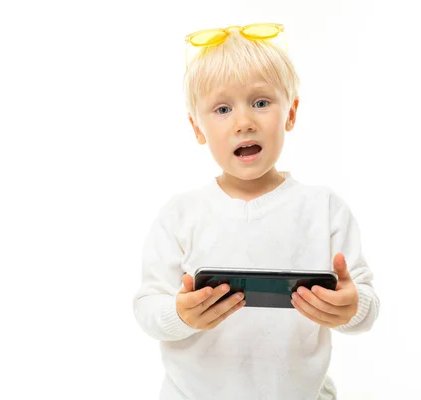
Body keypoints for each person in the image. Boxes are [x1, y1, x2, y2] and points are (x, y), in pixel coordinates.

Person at [132, 22, 380, 400]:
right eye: (222, 108)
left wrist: (352, 307)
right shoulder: (181, 215)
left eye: (261, 103)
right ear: (197, 128)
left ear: (291, 114)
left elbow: (364, 301)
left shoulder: (323, 209)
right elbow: (148, 307)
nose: (244, 122)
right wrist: (180, 315)